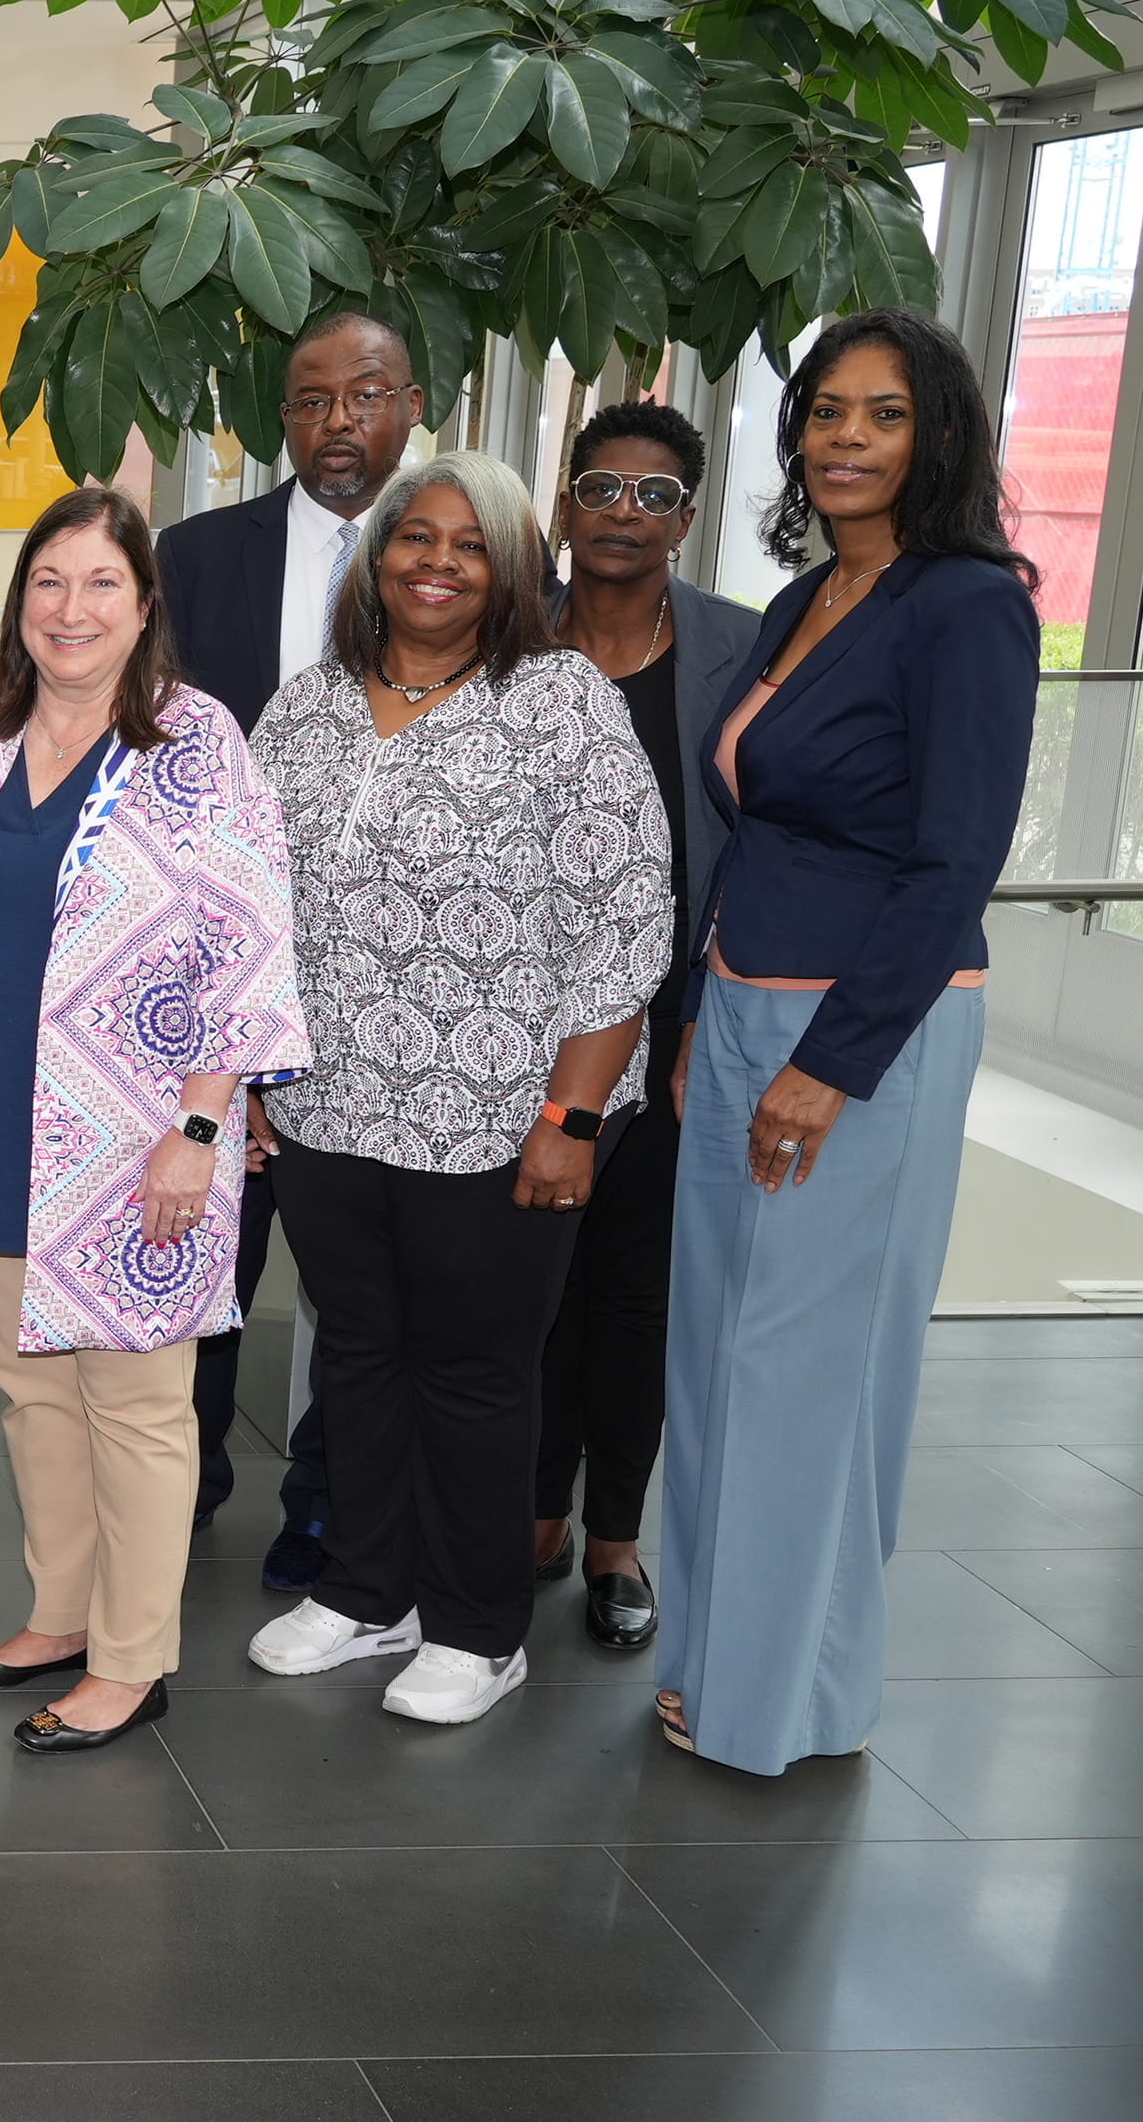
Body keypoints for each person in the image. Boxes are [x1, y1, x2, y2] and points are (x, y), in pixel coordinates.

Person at [0, 484, 306, 1750]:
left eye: (102, 583)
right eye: (50, 582)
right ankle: (62, 1613)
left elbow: (253, 939)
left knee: (140, 1405)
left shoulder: (196, 742)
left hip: (137, 1135)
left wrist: (202, 1129)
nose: (72, 608)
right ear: (18, 602)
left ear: (143, 603)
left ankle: (134, 1657)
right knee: (31, 1385)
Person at [658, 310, 1036, 1774]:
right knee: (719, 1356)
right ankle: (707, 1655)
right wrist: (706, 1017)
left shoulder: (968, 604)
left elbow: (956, 860)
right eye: (825, 412)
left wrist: (832, 1060)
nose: (847, 439)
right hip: (745, 1007)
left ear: (935, 433)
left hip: (869, 1025)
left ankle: (785, 1701)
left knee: (811, 1365)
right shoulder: (810, 595)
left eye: (883, 414)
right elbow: (749, 831)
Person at [243, 450, 670, 1726]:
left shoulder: (562, 705)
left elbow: (624, 921)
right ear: (374, 560)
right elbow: (251, 905)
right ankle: (369, 1590)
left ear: (511, 566)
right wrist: (255, 1075)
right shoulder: (308, 705)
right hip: (329, 1105)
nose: (434, 561)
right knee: (360, 1354)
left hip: (502, 1119)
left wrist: (571, 1116)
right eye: (410, 538)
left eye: (467, 543)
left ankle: (482, 1626)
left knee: (478, 1370)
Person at [154, 310, 426, 1589]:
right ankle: (182, 1484)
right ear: (282, 414)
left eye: (363, 396)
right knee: (210, 1243)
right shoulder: (197, 557)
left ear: (410, 407)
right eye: (311, 399)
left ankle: (325, 1502)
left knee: (361, 1286)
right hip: (215, 986)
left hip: (393, 997)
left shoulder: (461, 562)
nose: (337, 422)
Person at [535, 401, 757, 1653]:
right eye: (600, 487)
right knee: (532, 1273)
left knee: (636, 1283)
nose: (623, 511)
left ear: (687, 515)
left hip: (676, 1020)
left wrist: (705, 1012)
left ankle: (614, 1534)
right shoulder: (511, 644)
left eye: (654, 493)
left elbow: (760, 842)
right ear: (565, 505)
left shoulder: (736, 646)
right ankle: (530, 1510)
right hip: (522, 1026)